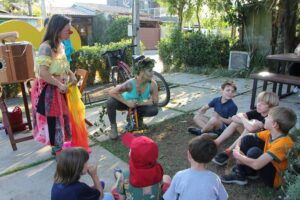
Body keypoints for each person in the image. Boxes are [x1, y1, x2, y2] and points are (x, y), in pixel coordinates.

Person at [31, 14, 77, 155]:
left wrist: (71, 74)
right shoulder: (46, 47)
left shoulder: (60, 45)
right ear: (57, 29)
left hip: (60, 87)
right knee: (54, 120)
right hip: (51, 90)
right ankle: (57, 151)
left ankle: (61, 145)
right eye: (67, 30)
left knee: (62, 118)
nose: (69, 33)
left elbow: (62, 64)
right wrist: (58, 84)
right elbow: (43, 72)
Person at [221, 106, 297, 188]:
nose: (265, 118)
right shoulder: (270, 133)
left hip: (275, 178)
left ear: (275, 125)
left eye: (268, 117)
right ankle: (245, 173)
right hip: (268, 165)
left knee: (254, 152)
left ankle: (246, 171)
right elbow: (247, 136)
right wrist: (238, 148)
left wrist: (239, 157)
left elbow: (256, 164)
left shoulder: (283, 143)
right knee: (248, 139)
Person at [212, 91, 279, 166]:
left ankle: (228, 152)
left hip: (263, 144)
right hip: (251, 138)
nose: (258, 105)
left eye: (263, 104)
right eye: (258, 102)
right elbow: (234, 118)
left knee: (249, 128)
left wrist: (243, 119)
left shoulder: (269, 118)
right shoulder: (258, 112)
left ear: (271, 107)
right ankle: (216, 143)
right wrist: (245, 121)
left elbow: (251, 128)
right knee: (236, 123)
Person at [106, 57, 159, 139]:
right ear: (141, 72)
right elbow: (112, 92)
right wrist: (127, 103)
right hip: (125, 103)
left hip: (138, 105)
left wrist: (140, 103)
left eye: (152, 70)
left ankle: (138, 118)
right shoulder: (130, 84)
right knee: (110, 102)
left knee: (154, 110)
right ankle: (113, 127)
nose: (153, 73)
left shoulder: (152, 84)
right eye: (150, 71)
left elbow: (155, 101)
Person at [163, 135, 228, 200]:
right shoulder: (215, 179)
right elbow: (223, 197)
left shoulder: (179, 176)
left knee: (166, 178)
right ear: (211, 158)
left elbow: (168, 198)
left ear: (189, 154)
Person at [111, 135, 170, 199]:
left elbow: (122, 198)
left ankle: (118, 175)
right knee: (166, 177)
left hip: (124, 180)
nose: (129, 152)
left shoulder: (126, 175)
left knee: (114, 188)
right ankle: (118, 175)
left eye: (131, 150)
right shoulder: (158, 171)